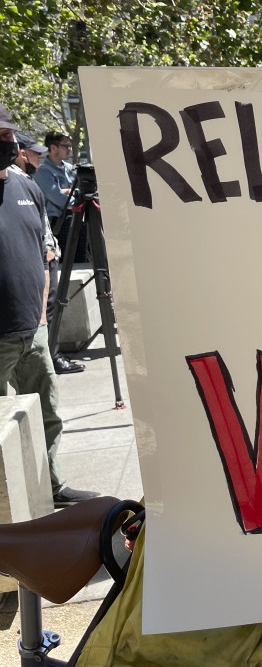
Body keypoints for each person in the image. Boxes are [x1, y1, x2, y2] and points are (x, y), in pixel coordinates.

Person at [0, 105, 98, 506]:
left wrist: (41, 313)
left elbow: (44, 252)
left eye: (9, 136)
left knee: (47, 416)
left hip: (33, 332)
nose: (9, 143)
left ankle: (50, 486)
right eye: (0, 136)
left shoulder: (26, 189)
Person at [13, 133, 85, 375]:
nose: (38, 156)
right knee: (47, 307)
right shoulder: (23, 180)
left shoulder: (27, 180)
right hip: (41, 252)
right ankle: (50, 358)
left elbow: (76, 194)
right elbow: (56, 198)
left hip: (48, 250)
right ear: (22, 153)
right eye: (34, 152)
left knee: (51, 305)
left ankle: (51, 357)